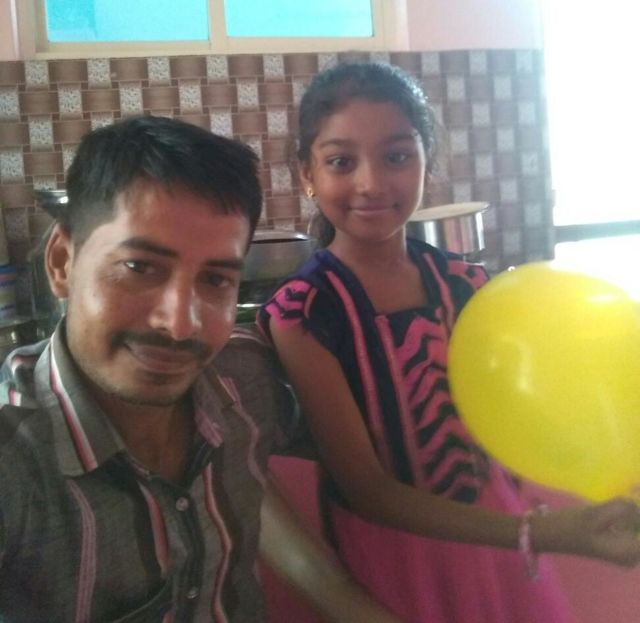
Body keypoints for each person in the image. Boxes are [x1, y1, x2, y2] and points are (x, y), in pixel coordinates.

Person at [258, 61, 640, 623]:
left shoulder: (469, 285)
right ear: (307, 174)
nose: (371, 183)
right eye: (341, 161)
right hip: (398, 561)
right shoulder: (305, 313)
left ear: (426, 162)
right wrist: (541, 531)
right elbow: (367, 490)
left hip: (501, 538)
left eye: (397, 156)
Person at [0, 114, 402, 623]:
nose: (179, 324)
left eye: (215, 280)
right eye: (139, 267)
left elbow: (380, 458)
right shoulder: (15, 461)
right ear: (61, 261)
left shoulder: (245, 384)